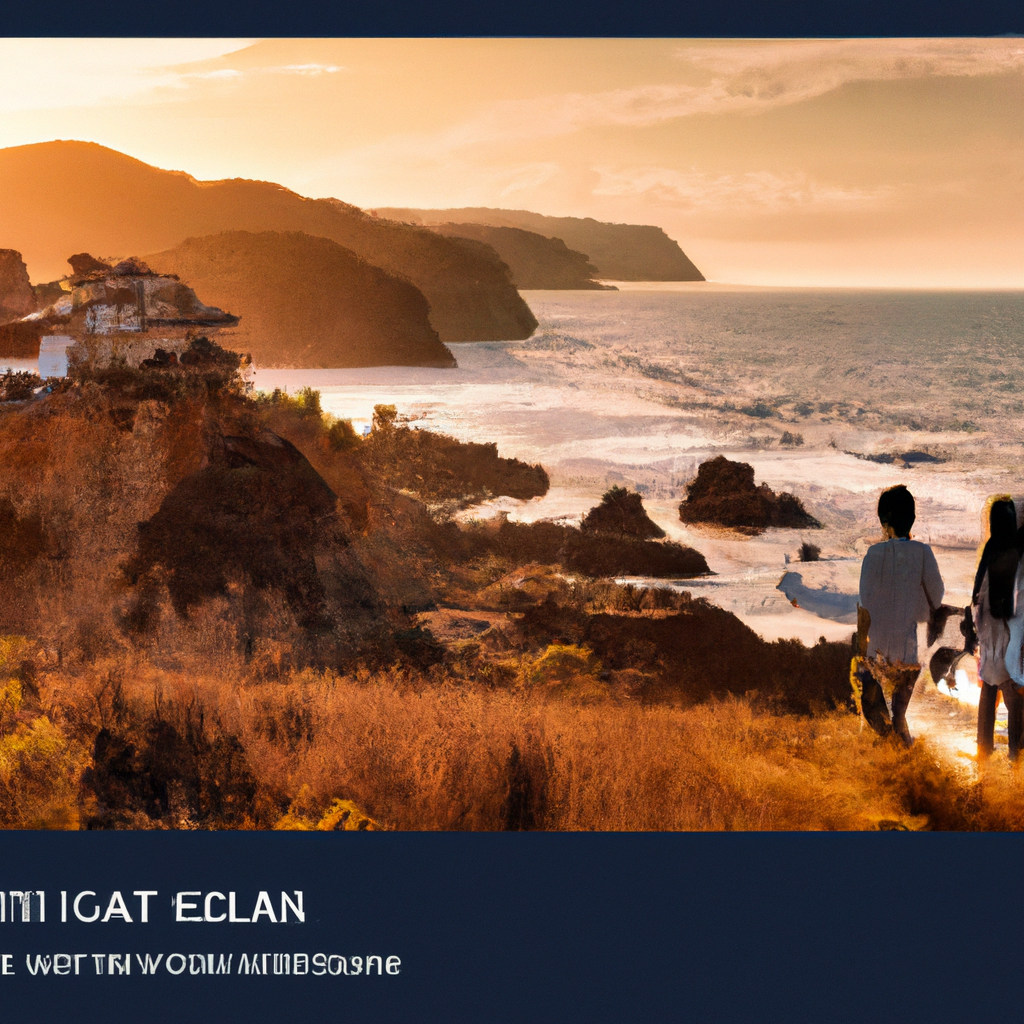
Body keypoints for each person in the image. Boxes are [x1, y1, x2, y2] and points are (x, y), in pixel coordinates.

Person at [855, 485, 944, 746]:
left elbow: (866, 600)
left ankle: (890, 745)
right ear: (912, 518)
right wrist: (916, 609)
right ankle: (902, 746)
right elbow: (936, 596)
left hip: (877, 649)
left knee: (875, 706)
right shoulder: (923, 552)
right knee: (900, 712)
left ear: (882, 520)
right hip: (907, 650)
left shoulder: (872, 555)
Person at [972, 497, 1023, 760]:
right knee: (1014, 702)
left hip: (990, 644)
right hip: (1009, 643)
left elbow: (977, 602)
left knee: (988, 694)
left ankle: (983, 753)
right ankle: (1016, 759)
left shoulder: (990, 554)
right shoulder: (1017, 553)